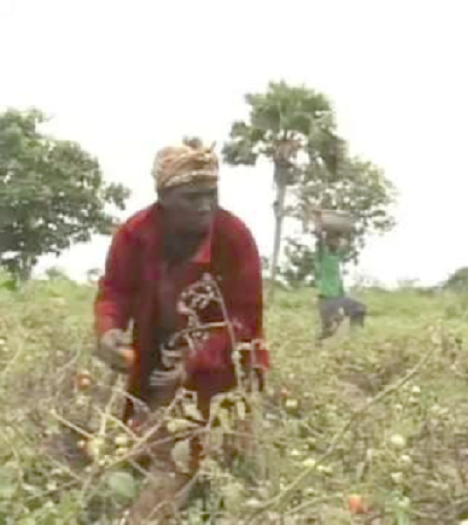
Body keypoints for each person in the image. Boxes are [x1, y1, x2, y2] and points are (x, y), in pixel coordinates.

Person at [93, 137, 269, 523]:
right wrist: (108, 332)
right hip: (155, 364)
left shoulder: (234, 236)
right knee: (140, 454)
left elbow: (244, 318)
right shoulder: (135, 234)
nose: (206, 205)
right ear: (164, 198)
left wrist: (194, 361)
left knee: (222, 465)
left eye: (211, 193)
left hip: (225, 371)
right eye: (192, 197)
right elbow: (115, 291)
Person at [312, 211, 366, 341]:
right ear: (328, 240)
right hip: (326, 298)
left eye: (337, 240)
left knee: (359, 308)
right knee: (329, 329)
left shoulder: (336, 256)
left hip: (338, 296)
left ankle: (355, 337)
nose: (337, 242)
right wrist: (318, 220)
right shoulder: (322, 254)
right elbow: (319, 237)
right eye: (334, 239)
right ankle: (316, 345)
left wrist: (350, 225)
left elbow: (347, 241)